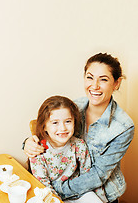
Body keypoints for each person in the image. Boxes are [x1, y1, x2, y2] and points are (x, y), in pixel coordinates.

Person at [23, 53, 135, 203]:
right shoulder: (73, 107)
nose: (94, 86)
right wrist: (28, 143)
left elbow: (98, 175)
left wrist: (56, 190)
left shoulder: (123, 127)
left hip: (101, 193)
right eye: (90, 77)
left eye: (103, 79)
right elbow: (47, 130)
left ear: (116, 83)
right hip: (57, 188)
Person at [29, 95, 107, 203]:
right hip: (53, 195)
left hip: (79, 192)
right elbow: (44, 186)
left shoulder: (79, 145)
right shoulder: (37, 150)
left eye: (68, 121)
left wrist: (102, 199)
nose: (63, 128)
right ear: (44, 126)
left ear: (74, 122)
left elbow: (88, 177)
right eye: (55, 122)